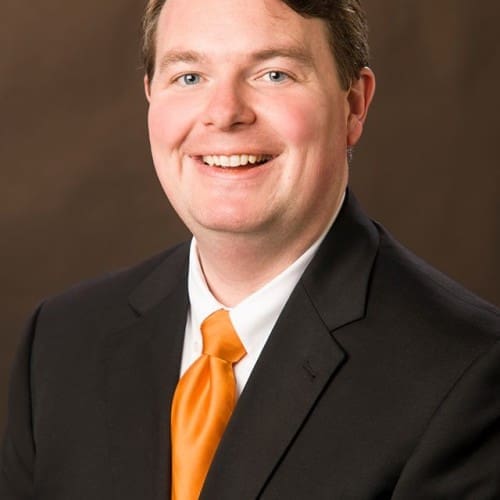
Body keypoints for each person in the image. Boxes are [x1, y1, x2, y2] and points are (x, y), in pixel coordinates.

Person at [1, 0, 499, 498]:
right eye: (190, 77)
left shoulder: (468, 374)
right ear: (151, 96)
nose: (224, 113)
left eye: (274, 74)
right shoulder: (60, 343)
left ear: (353, 105)